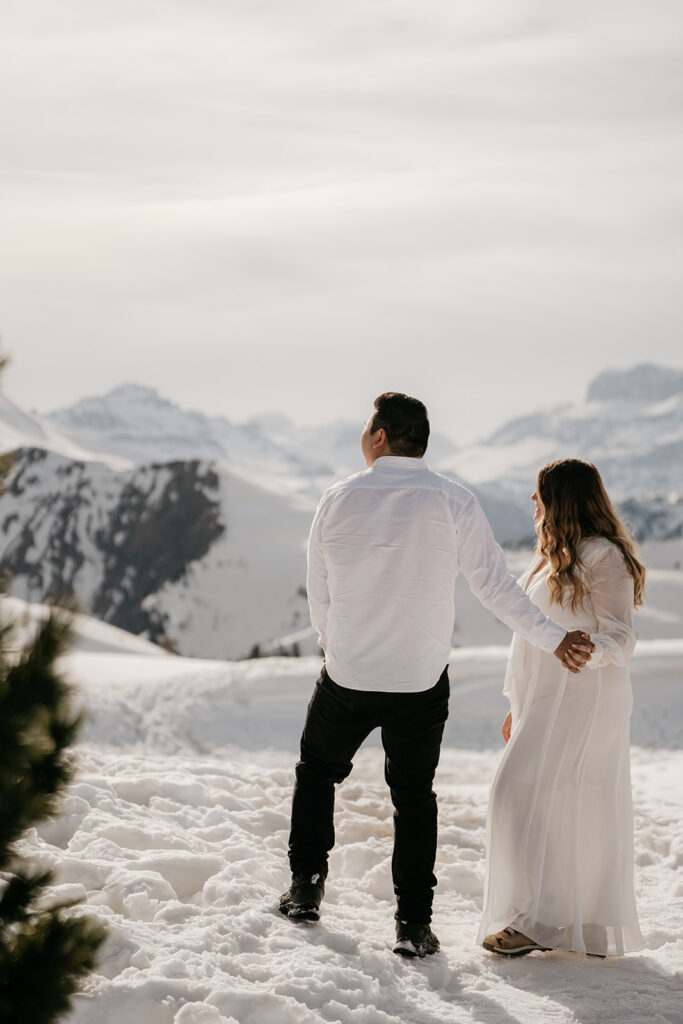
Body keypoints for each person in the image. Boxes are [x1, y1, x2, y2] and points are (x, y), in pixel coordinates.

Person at [279, 394, 594, 959]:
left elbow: (319, 589)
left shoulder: (338, 498)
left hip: (347, 675)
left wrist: (338, 646)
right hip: (419, 680)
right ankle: (412, 925)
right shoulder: (456, 502)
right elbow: (496, 589)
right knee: (414, 798)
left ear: (379, 438)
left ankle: (305, 888)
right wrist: (554, 638)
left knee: (317, 772)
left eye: (366, 426)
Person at [479, 458, 646, 958]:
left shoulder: (603, 555)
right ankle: (570, 923)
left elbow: (620, 636)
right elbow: (526, 640)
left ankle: (545, 921)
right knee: (535, 798)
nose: (533, 504)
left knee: (550, 797)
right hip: (547, 700)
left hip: (587, 699)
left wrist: (587, 651)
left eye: (539, 494)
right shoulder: (553, 557)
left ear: (562, 499)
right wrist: (518, 703)